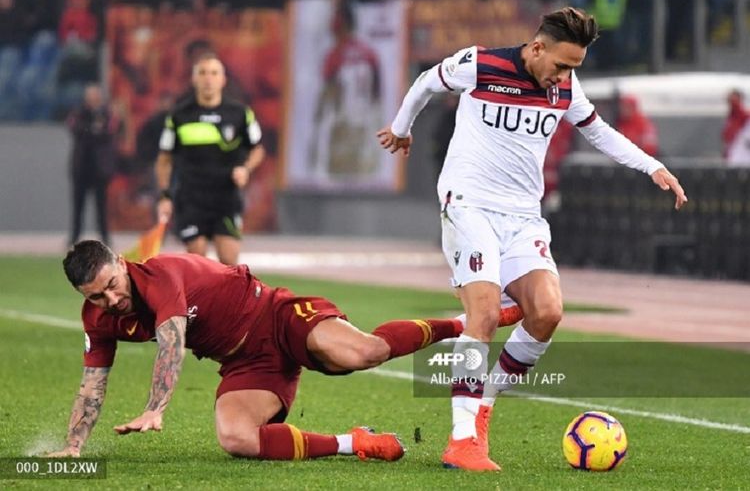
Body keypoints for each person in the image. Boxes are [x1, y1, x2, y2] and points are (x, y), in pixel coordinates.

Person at [377, 7, 687, 472]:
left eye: (574, 68)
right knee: (481, 314)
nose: (565, 76)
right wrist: (402, 130)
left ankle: (484, 406)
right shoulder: (480, 65)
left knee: (547, 312)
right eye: (562, 65)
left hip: (523, 216)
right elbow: (425, 81)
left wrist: (652, 166)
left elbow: (597, 131)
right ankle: (461, 442)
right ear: (537, 47)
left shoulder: (565, 86)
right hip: (469, 203)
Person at [46, 240, 522, 460]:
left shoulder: (159, 276)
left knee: (365, 354)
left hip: (276, 314)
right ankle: (352, 442)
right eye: (96, 296)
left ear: (122, 265)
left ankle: (463, 322)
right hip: (245, 361)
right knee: (235, 438)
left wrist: (155, 408)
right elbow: (92, 382)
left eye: (111, 285)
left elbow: (172, 341)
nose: (110, 300)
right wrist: (72, 446)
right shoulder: (99, 319)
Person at [155, 52, 264, 265]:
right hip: (191, 198)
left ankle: (231, 299)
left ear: (223, 80)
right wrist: (165, 195)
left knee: (229, 261)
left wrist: (246, 169)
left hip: (227, 198)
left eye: (214, 73)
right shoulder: (179, 116)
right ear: (194, 79)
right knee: (198, 261)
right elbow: (164, 159)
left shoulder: (240, 114)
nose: (208, 78)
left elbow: (257, 150)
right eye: (202, 73)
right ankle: (201, 299)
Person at [309, 0, 383, 180]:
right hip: (365, 124)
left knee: (339, 177)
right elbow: (377, 94)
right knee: (363, 177)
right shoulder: (369, 53)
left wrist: (316, 128)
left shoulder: (335, 55)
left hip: (343, 124)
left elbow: (328, 92)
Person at [67, 83, 120, 246]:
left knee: (101, 207)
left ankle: (105, 237)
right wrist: (93, 129)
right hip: (81, 167)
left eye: (95, 95)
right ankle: (74, 237)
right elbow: (74, 127)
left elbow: (110, 130)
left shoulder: (107, 113)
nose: (92, 99)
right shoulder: (79, 113)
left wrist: (92, 130)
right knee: (78, 207)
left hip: (100, 169)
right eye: (90, 96)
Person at [721, 89, 749, 158]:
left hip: (744, 155)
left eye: (734, 100)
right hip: (733, 153)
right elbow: (726, 136)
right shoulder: (730, 118)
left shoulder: (746, 117)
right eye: (730, 101)